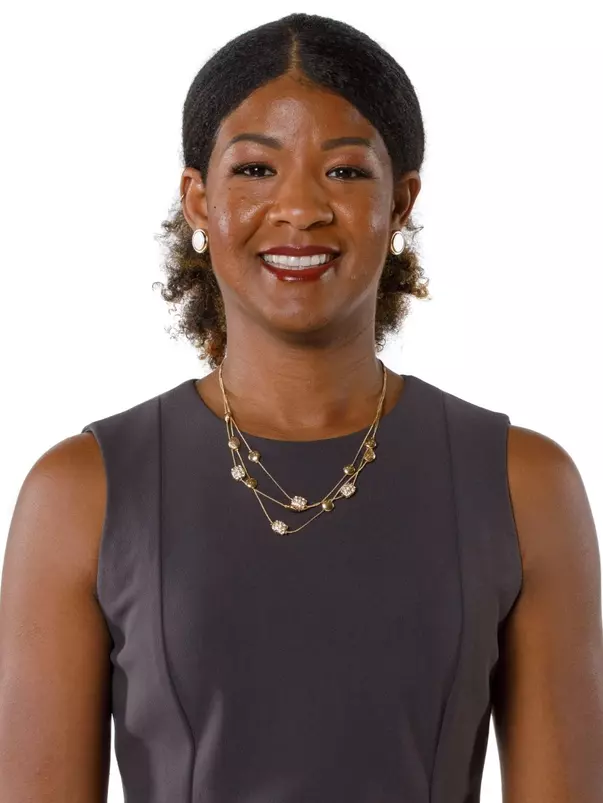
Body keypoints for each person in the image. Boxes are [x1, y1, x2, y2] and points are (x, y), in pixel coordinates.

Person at [1, 12, 602, 803]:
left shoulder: (525, 483)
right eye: (254, 169)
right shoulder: (80, 491)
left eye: (346, 172)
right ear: (197, 199)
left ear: (401, 201)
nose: (299, 208)